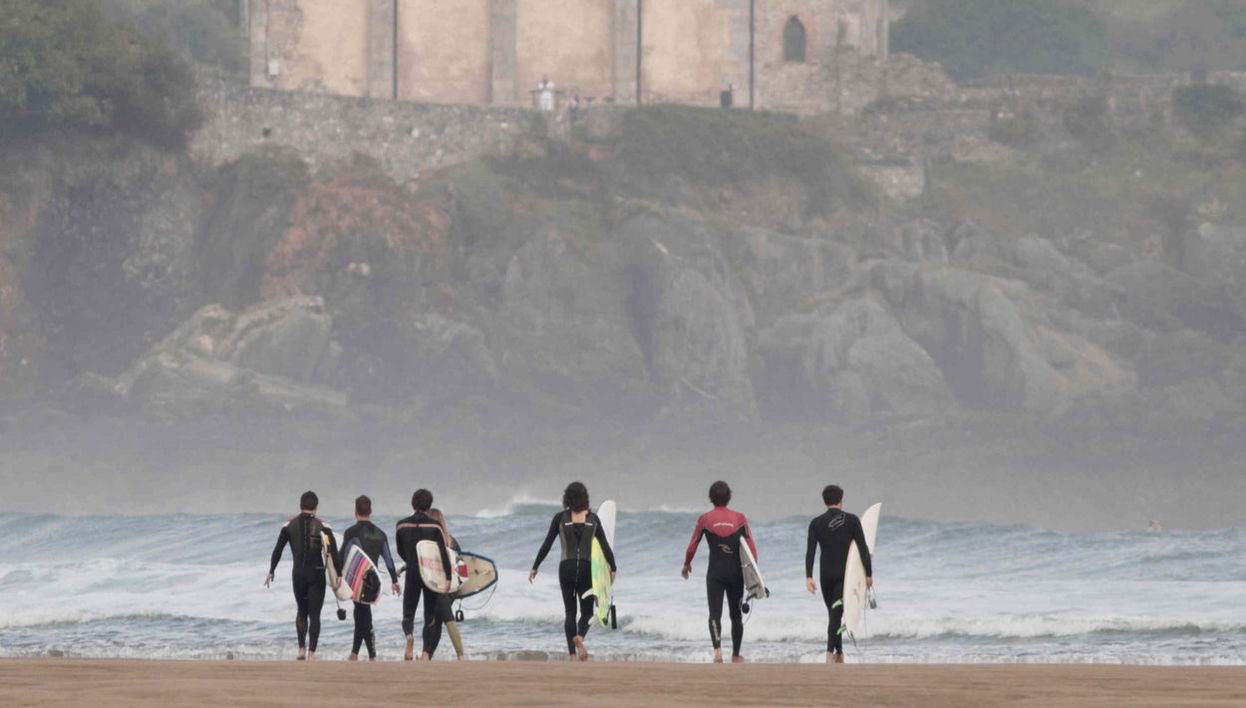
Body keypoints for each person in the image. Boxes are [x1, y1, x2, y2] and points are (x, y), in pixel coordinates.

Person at [529, 481, 616, 661]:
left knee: (570, 612)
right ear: (585, 498)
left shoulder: (560, 518)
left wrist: (535, 566)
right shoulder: (593, 519)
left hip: (566, 568)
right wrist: (613, 567)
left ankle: (572, 655)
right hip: (586, 570)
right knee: (587, 613)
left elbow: (546, 544)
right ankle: (580, 637)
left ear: (567, 498)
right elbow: (605, 546)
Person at [681, 480, 757, 663]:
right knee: (736, 614)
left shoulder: (704, 519)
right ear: (729, 496)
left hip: (715, 573)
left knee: (714, 613)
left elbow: (693, 545)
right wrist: (754, 572)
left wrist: (687, 564)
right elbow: (751, 546)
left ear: (711, 498)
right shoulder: (740, 518)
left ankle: (717, 652)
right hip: (735, 573)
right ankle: (736, 654)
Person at [265, 490, 342, 661]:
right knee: (315, 614)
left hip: (298, 574)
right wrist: (339, 574)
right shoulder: (324, 526)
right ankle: (311, 653)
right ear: (316, 507)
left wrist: (272, 570)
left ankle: (300, 649)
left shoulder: (288, 526)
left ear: (301, 506)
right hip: (316, 574)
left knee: (301, 611)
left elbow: (278, 549)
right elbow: (333, 552)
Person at [805, 484, 872, 664]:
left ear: (824, 501)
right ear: (841, 500)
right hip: (845, 576)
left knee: (834, 613)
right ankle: (829, 654)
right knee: (836, 614)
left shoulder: (816, 523)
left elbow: (810, 552)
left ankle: (839, 653)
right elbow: (863, 549)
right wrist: (868, 573)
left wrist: (808, 576)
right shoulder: (852, 520)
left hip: (825, 575)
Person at [341, 495, 401, 661]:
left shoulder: (351, 532)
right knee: (361, 613)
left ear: (355, 511)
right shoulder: (380, 534)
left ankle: (372, 655)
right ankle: (354, 654)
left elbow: (342, 556)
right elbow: (388, 559)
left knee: (362, 615)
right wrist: (395, 581)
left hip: (356, 579)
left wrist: (337, 578)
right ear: (371, 511)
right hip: (373, 582)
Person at [395, 489, 453, 661]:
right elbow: (442, 553)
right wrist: (448, 577)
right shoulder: (435, 526)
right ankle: (426, 653)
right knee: (430, 614)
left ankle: (409, 636)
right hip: (430, 575)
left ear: (413, 503)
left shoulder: (401, 525)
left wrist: (411, 561)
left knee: (408, 612)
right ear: (429, 505)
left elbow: (400, 550)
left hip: (412, 571)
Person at [428, 508, 467, 661]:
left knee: (446, 618)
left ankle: (461, 655)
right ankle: (427, 655)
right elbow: (461, 565)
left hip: (437, 586)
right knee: (437, 621)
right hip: (452, 588)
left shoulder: (429, 543)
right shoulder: (452, 541)